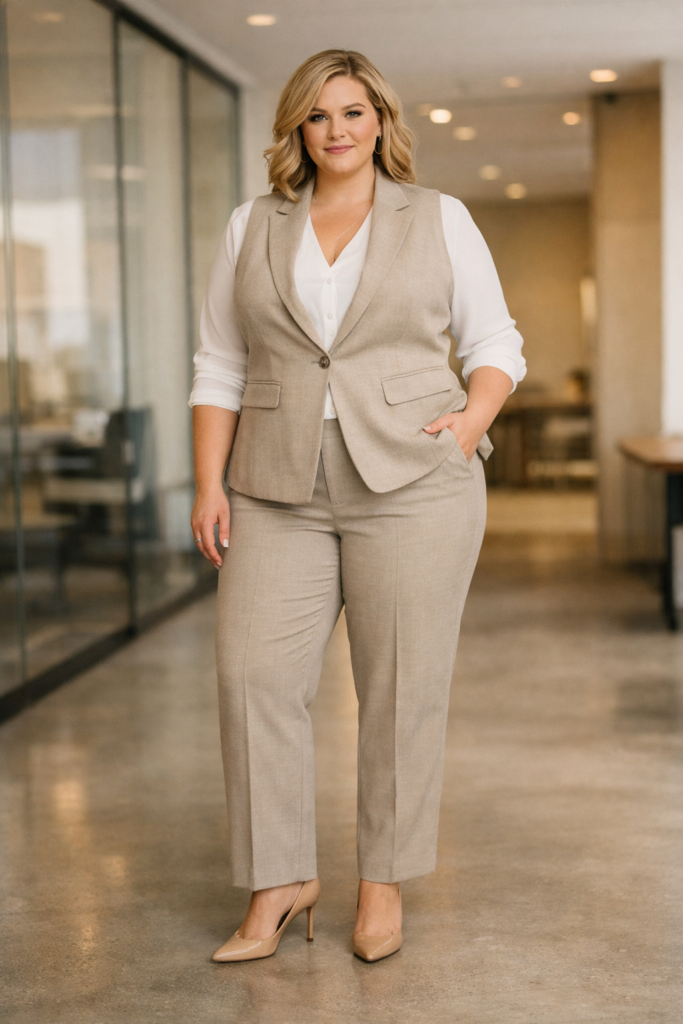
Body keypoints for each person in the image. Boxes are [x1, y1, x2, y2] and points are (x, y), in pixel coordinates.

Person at [189, 49, 525, 963]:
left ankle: (382, 882)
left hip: (415, 481)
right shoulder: (251, 225)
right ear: (297, 129)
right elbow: (219, 363)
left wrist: (470, 423)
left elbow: (495, 340)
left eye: (352, 112)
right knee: (252, 675)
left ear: (380, 118)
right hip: (273, 482)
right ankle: (279, 880)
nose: (335, 130)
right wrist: (208, 481)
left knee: (397, 689)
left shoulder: (439, 217)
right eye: (316, 116)